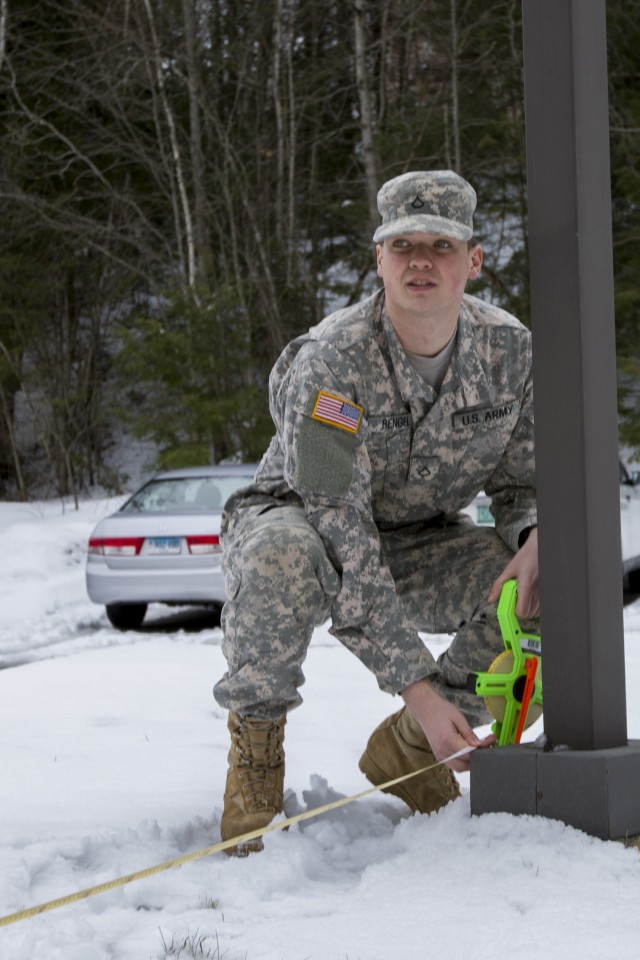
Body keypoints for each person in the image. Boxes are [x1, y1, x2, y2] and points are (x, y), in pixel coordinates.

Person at [214, 170, 539, 856]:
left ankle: (410, 750)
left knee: (548, 595)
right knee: (283, 557)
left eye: (442, 246)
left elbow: (523, 483)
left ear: (473, 261)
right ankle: (255, 760)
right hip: (302, 519)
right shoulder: (331, 363)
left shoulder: (511, 353)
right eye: (403, 245)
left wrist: (537, 538)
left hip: (423, 539)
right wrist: (416, 684)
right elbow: (338, 523)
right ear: (379, 260)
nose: (421, 260)